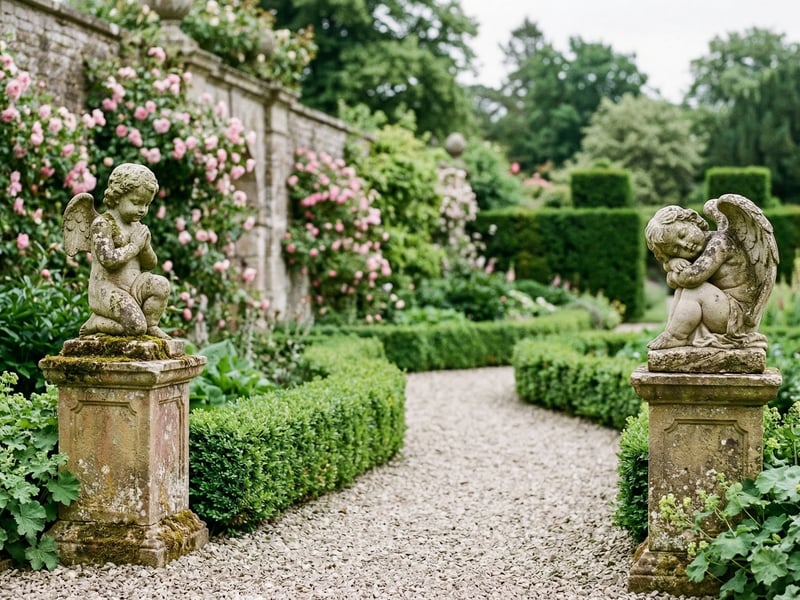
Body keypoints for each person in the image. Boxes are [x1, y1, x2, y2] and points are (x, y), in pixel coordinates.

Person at [644, 205, 764, 350]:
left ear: (692, 221)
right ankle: (672, 334)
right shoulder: (697, 253)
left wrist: (671, 269)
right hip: (722, 310)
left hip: (736, 317)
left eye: (682, 235)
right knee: (682, 290)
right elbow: (674, 283)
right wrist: (671, 263)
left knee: (694, 290)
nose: (685, 245)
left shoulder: (720, 243)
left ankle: (676, 337)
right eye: (676, 249)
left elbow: (692, 277)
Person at [78, 163, 171, 338]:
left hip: (134, 287)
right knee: (135, 328)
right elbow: (109, 261)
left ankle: (151, 325)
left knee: (161, 285)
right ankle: (97, 322)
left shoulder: (137, 226)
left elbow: (150, 264)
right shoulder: (102, 224)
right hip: (107, 290)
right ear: (118, 197)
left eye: (146, 204)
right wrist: (134, 246)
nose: (142, 209)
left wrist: (145, 247)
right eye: (136, 202)